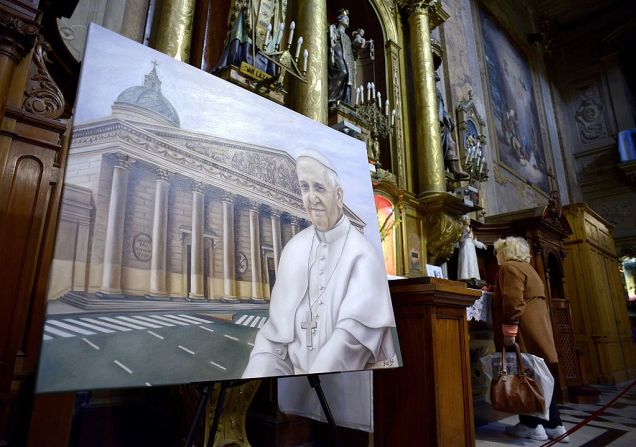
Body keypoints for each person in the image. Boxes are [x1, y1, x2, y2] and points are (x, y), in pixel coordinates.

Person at [242, 150, 396, 377]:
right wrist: (257, 371)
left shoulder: (363, 255)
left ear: (339, 196)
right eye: (305, 187)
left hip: (345, 387)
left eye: (319, 188)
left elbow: (350, 340)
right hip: (294, 389)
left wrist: (311, 380)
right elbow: (273, 341)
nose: (311, 198)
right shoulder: (294, 249)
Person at [492, 236, 569, 443]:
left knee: (523, 376)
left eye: (498, 251)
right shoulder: (530, 269)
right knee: (539, 377)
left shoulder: (509, 268)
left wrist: (509, 332)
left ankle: (531, 425)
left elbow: (513, 302)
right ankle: (555, 425)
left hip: (523, 330)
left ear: (506, 252)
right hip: (538, 329)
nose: (496, 256)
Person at [328, 9, 367, 105]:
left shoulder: (348, 37)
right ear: (339, 19)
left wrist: (360, 48)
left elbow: (353, 52)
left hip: (347, 59)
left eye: (348, 19)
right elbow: (330, 41)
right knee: (342, 72)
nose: (347, 20)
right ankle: (331, 98)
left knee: (348, 79)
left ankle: (343, 102)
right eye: (345, 18)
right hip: (338, 53)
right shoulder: (334, 29)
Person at [436, 72, 468, 179]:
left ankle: (453, 169)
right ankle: (453, 169)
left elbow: (439, 107)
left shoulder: (437, 91)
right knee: (448, 140)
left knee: (451, 143)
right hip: (432, 123)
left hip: (439, 123)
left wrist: (445, 114)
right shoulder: (430, 90)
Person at [457, 215, 486, 281]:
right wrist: (467, 234)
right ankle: (465, 278)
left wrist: (482, 245)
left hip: (471, 249)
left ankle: (473, 278)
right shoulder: (462, 229)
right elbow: (460, 239)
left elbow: (474, 241)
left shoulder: (470, 229)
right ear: (464, 220)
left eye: (469, 219)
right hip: (465, 248)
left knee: (472, 263)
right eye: (467, 219)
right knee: (466, 262)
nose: (469, 220)